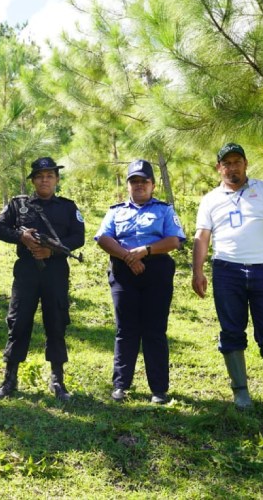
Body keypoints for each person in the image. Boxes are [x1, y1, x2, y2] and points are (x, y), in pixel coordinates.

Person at [192, 142, 263, 419]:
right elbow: (202, 237)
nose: (233, 167)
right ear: (219, 168)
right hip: (226, 270)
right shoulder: (210, 200)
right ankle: (241, 392)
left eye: (237, 162)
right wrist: (197, 271)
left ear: (245, 164)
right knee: (231, 330)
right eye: (227, 163)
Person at [0, 157, 85, 401]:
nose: (45, 180)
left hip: (55, 271)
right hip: (26, 271)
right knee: (18, 321)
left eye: (50, 176)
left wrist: (51, 251)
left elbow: (78, 237)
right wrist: (20, 237)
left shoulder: (67, 207)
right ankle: (9, 379)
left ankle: (57, 380)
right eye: (40, 176)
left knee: (56, 322)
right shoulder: (18, 204)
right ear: (32, 180)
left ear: (57, 179)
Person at [95, 159, 185, 404]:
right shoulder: (115, 211)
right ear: (128, 185)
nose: (139, 185)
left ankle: (159, 389)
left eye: (144, 181)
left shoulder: (164, 210)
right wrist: (128, 257)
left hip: (156, 270)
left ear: (153, 185)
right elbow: (103, 238)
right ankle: (121, 385)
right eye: (134, 181)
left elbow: (174, 241)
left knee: (155, 330)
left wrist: (145, 251)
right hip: (123, 272)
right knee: (126, 329)